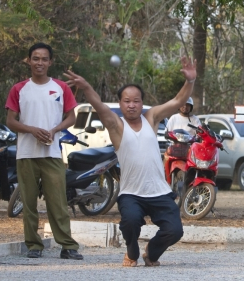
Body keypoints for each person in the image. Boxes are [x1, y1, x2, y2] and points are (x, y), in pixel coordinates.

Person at [62, 56, 196, 267]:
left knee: (175, 230)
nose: (132, 105)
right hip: (132, 193)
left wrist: (190, 81)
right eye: (127, 101)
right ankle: (131, 250)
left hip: (159, 191)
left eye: (136, 101)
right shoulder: (116, 125)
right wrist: (86, 86)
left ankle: (151, 253)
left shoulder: (151, 117)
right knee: (131, 223)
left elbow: (178, 101)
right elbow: (98, 105)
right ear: (120, 103)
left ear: (142, 103)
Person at [5, 42, 83, 260]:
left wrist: (55, 129)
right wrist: (31, 130)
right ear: (28, 61)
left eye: (44, 59)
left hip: (52, 154)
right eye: (35, 58)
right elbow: (11, 121)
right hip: (26, 154)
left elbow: (71, 117)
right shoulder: (19, 89)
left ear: (51, 62)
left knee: (57, 200)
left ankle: (67, 246)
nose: (39, 62)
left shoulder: (61, 87)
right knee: (28, 202)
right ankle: (33, 245)